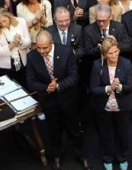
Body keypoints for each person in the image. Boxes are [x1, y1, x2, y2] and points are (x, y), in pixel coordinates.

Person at [26, 31, 91, 170]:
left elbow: (74, 77)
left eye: (45, 48)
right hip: (48, 101)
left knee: (74, 130)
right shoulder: (31, 57)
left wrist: (58, 85)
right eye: (38, 47)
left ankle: (81, 155)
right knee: (53, 131)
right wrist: (46, 87)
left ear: (52, 44)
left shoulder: (67, 52)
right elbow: (31, 82)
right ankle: (57, 156)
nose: (41, 51)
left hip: (68, 99)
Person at [90, 37, 132, 169]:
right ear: (104, 54)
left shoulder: (126, 63)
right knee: (106, 134)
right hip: (104, 107)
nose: (114, 55)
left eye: (116, 51)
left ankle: (122, 158)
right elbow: (93, 88)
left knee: (123, 134)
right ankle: (107, 158)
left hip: (122, 106)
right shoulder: (97, 65)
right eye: (110, 53)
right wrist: (109, 88)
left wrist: (119, 87)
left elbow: (130, 86)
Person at [0, 8, 31, 86]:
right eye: (0, 23)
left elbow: (28, 42)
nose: (3, 24)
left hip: (23, 61)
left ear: (8, 16)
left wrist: (20, 41)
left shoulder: (21, 21)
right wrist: (12, 44)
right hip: (6, 66)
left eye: (4, 21)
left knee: (25, 86)